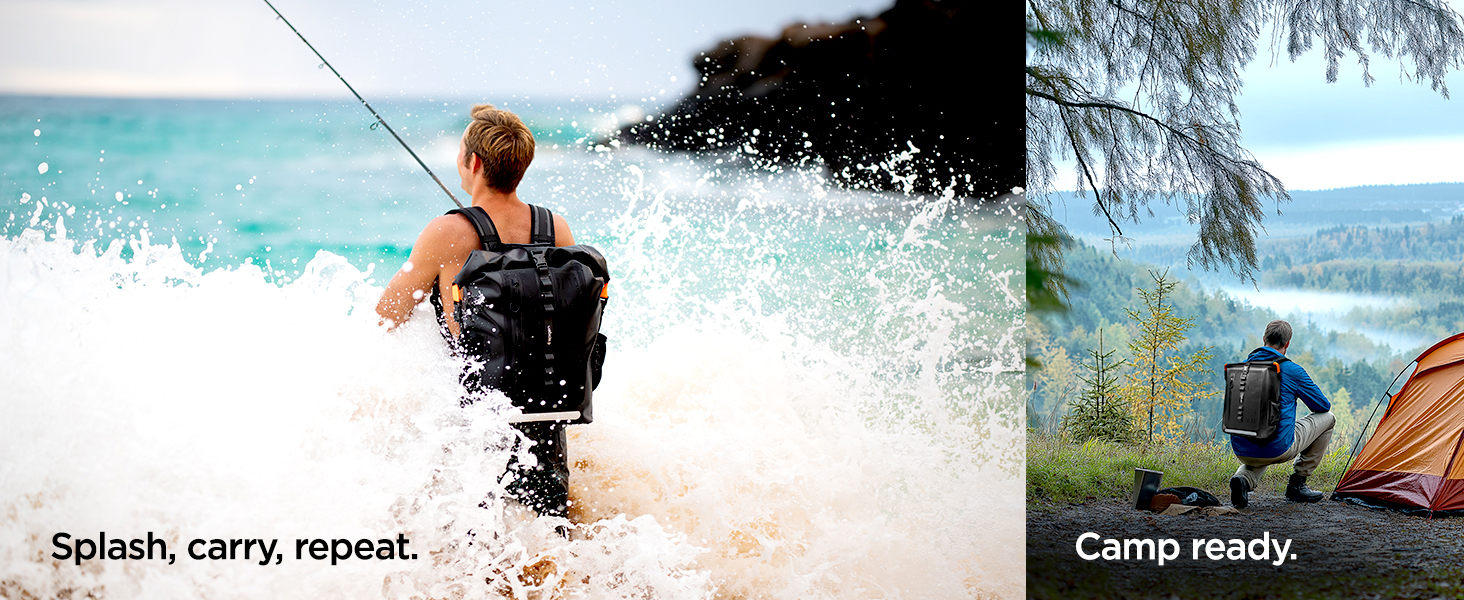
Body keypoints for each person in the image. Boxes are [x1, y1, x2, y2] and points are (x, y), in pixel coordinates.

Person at [376, 104, 576, 518]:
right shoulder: (555, 227)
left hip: (479, 418)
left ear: (475, 162)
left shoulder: (448, 230)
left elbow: (387, 313)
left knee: (475, 552)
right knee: (548, 543)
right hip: (547, 412)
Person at [1229, 320, 1335, 509]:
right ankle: (1298, 484)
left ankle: (1242, 481)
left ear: (1264, 339)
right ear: (1287, 344)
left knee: (1261, 441)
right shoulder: (1292, 370)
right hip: (1276, 448)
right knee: (1329, 418)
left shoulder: (1242, 367)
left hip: (1241, 448)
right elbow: (1322, 406)